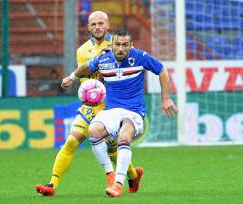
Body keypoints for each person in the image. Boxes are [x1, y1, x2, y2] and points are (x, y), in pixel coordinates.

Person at [36, 12, 143, 196]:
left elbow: (128, 69)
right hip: (92, 106)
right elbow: (87, 78)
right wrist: (83, 85)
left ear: (108, 24)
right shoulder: (82, 50)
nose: (97, 27)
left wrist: (110, 59)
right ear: (88, 27)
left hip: (113, 106)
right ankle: (52, 184)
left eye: (101, 23)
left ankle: (133, 176)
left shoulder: (119, 45)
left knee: (113, 149)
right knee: (71, 141)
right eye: (93, 24)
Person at [61, 29, 178, 197]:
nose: (121, 49)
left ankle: (118, 184)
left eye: (125, 45)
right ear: (112, 45)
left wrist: (165, 99)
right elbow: (86, 67)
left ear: (131, 45)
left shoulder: (140, 57)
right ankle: (110, 173)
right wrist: (71, 77)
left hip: (134, 112)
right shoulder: (103, 59)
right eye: (117, 44)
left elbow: (162, 70)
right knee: (93, 130)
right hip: (111, 111)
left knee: (124, 136)